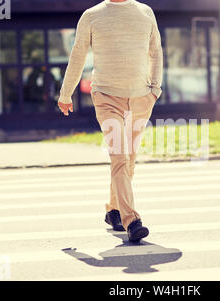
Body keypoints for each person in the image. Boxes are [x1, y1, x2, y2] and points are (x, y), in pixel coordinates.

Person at [57, 0, 163, 242]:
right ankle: (132, 220)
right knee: (119, 156)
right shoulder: (92, 15)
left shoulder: (146, 12)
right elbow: (78, 55)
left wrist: (154, 90)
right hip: (106, 97)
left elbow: (155, 52)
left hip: (141, 98)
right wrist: (65, 93)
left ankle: (113, 209)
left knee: (130, 161)